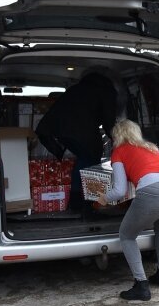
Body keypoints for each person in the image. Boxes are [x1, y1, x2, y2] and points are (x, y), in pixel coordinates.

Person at [97, 119, 159, 301]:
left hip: (154, 194)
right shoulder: (151, 147)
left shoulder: (119, 151)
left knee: (127, 235)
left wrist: (103, 198)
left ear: (117, 136)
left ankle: (141, 285)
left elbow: (119, 190)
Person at [35, 73, 117, 214]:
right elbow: (108, 119)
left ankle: (83, 200)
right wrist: (117, 138)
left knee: (85, 158)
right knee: (89, 159)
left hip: (59, 129)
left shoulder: (76, 89)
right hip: (79, 130)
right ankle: (84, 201)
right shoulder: (106, 92)